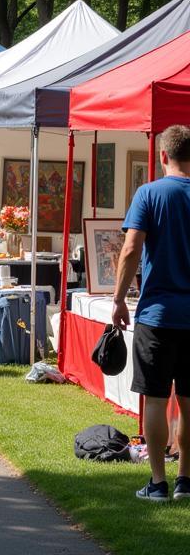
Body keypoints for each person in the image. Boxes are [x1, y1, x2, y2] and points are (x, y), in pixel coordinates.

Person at [112, 123, 190, 502]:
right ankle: (185, 479)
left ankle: (158, 482)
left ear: (163, 156)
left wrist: (116, 299)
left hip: (158, 314)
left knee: (156, 399)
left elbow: (130, 249)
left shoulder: (149, 193)